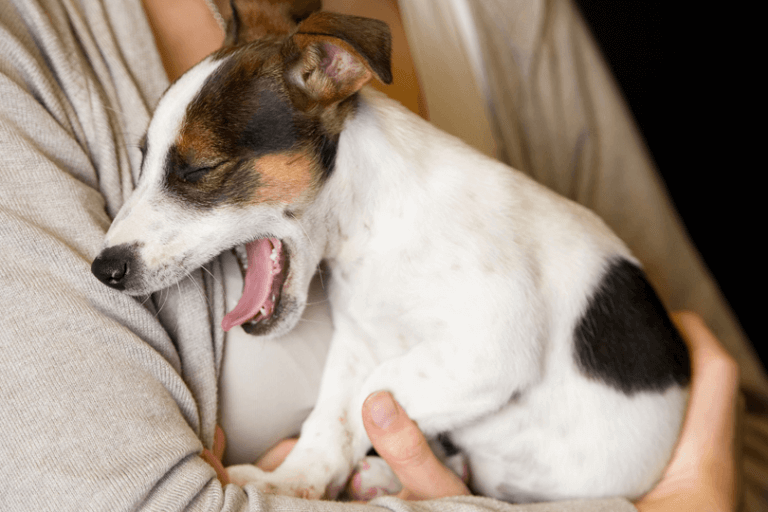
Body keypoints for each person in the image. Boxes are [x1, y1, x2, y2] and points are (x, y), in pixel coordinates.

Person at [0, 1, 763, 511]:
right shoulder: (28, 54)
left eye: (194, 173)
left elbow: (492, 357)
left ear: (339, 71)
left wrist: (361, 428)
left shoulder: (458, 205)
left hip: (604, 459)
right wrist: (319, 469)